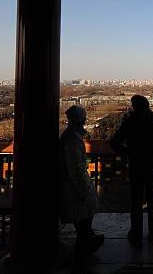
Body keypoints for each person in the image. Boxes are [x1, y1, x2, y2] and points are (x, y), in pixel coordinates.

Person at [110, 95, 153, 246]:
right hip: (151, 165)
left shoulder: (130, 123)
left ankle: (136, 232)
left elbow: (114, 143)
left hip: (136, 165)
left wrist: (127, 153)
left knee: (136, 201)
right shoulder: (152, 121)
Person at [59, 105, 104, 274]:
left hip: (73, 186)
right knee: (84, 222)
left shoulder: (71, 135)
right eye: (84, 116)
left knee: (84, 223)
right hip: (75, 188)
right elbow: (75, 168)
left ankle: (83, 250)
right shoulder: (73, 138)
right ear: (81, 119)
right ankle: (81, 257)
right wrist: (83, 190)